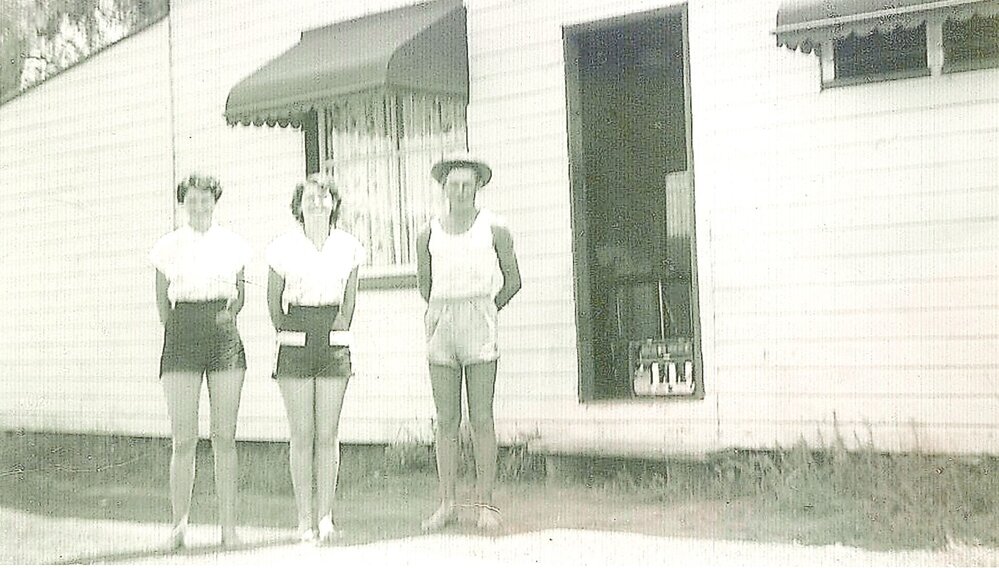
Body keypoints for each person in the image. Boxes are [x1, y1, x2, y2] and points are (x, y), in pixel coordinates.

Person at [416, 153, 522, 532]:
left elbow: (513, 280)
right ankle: (447, 503)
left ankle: (486, 504)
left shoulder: (494, 228)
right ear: (443, 188)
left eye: (467, 185)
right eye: (453, 185)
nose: (460, 191)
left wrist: (486, 309)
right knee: (447, 420)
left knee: (481, 416)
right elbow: (425, 284)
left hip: (479, 317)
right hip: (442, 319)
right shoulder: (428, 232)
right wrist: (443, 313)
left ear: (477, 188)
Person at [149, 173, 252, 550]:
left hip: (222, 332)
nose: (199, 206)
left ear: (215, 201)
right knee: (184, 438)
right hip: (181, 332)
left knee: (224, 436)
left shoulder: (233, 244)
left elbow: (240, 295)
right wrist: (182, 324)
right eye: (191, 200)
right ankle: (178, 527)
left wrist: (220, 319)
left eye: (205, 199)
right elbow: (163, 301)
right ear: (183, 202)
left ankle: (229, 528)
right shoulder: (167, 246)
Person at [265, 173, 364, 544]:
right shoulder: (282, 247)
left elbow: (350, 300)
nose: (317, 202)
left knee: (328, 433)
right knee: (302, 433)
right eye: (310, 197)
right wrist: (288, 330)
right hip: (295, 333)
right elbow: (273, 301)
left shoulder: (349, 247)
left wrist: (335, 329)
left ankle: (325, 516)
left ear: (334, 203)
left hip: (333, 333)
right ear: (299, 205)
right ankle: (303, 519)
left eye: (324, 197)